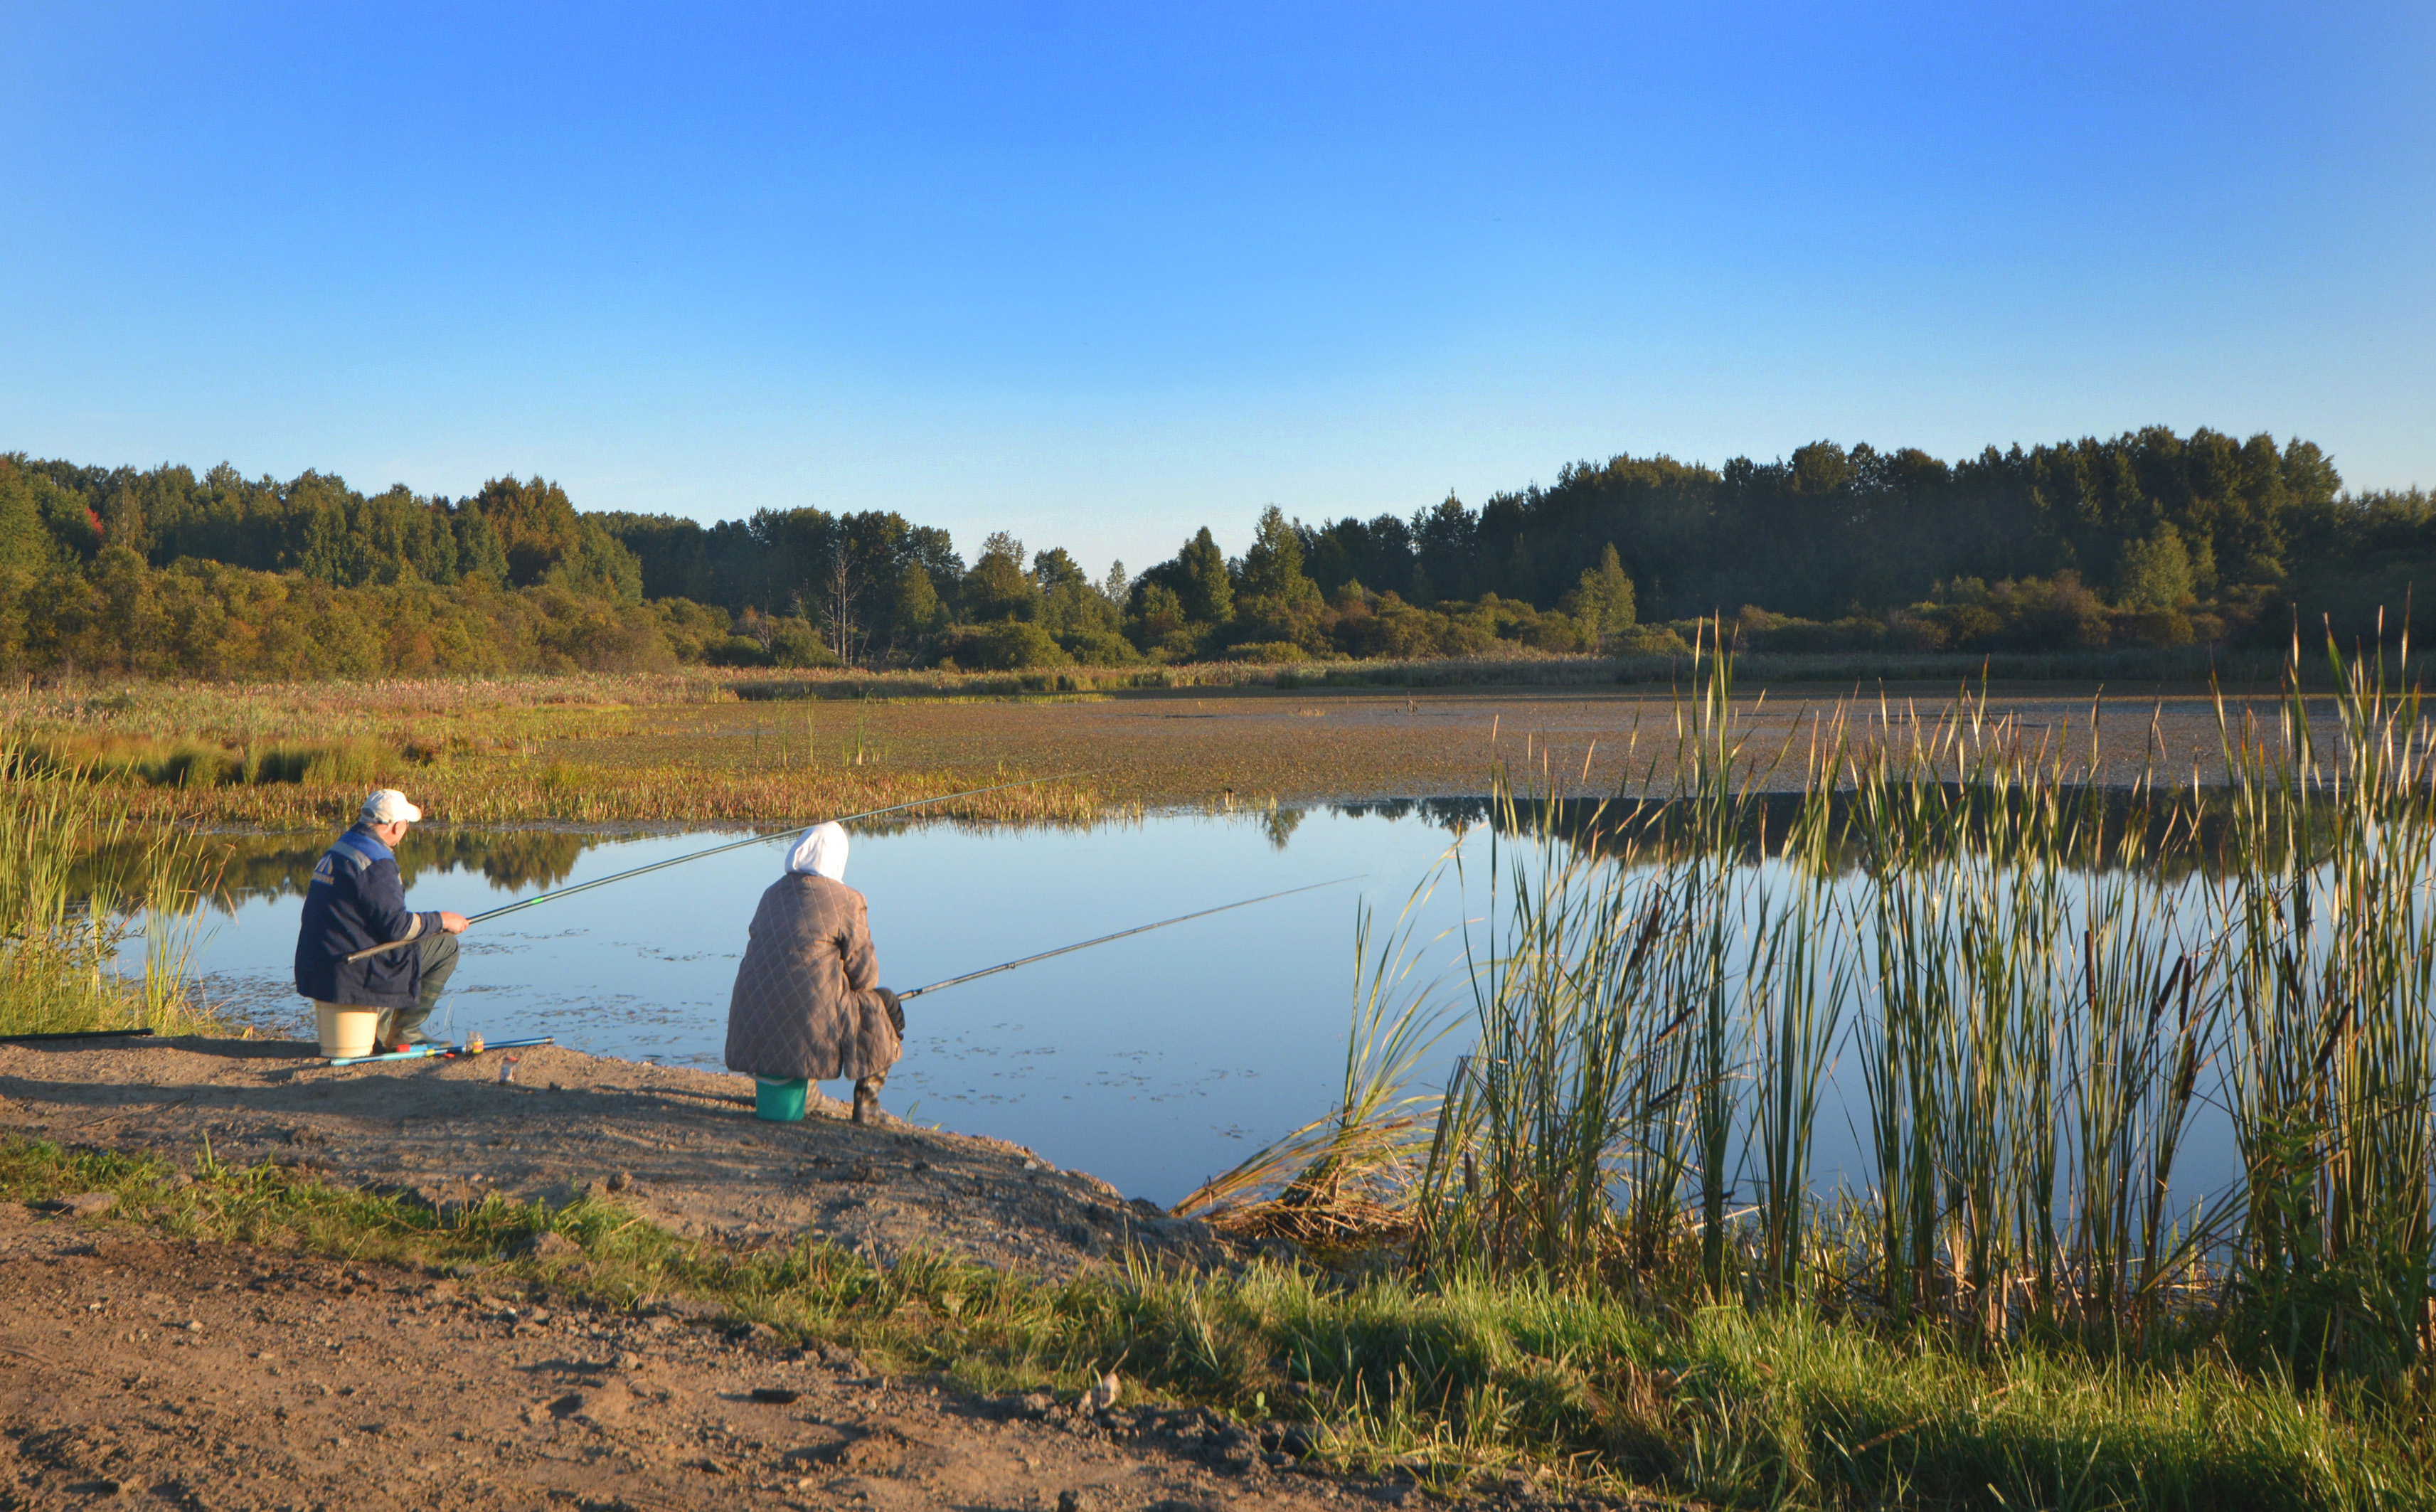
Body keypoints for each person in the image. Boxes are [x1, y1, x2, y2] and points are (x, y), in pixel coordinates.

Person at [724, 821, 904, 1124]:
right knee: (884, 1004)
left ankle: (805, 1092)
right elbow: (865, 979)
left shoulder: (771, 894)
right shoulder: (849, 900)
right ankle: (868, 1105)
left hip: (752, 1020)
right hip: (807, 1023)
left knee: (803, 992)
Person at [294, 790, 469, 1053]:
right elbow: (398, 928)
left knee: (400, 945)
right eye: (407, 824)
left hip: (318, 969)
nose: (407, 829)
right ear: (397, 826)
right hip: (350, 969)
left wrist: (430, 922)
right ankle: (403, 1033)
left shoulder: (341, 848)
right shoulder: (377, 862)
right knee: (446, 946)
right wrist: (441, 920)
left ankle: (381, 1028)